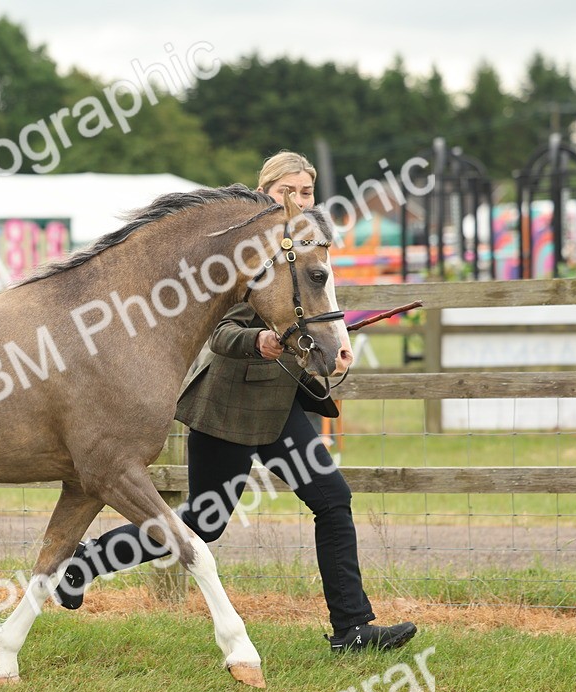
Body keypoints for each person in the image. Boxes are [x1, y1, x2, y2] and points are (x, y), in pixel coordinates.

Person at [53, 151, 418, 653]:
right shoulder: (241, 253)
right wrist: (257, 342)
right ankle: (85, 562)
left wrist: (336, 345)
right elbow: (218, 332)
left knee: (332, 501)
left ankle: (353, 628)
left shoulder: (304, 248)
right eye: (287, 191)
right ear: (265, 191)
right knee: (205, 520)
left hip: (280, 409)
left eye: (306, 192)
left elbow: (317, 314)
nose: (298, 200)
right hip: (228, 408)